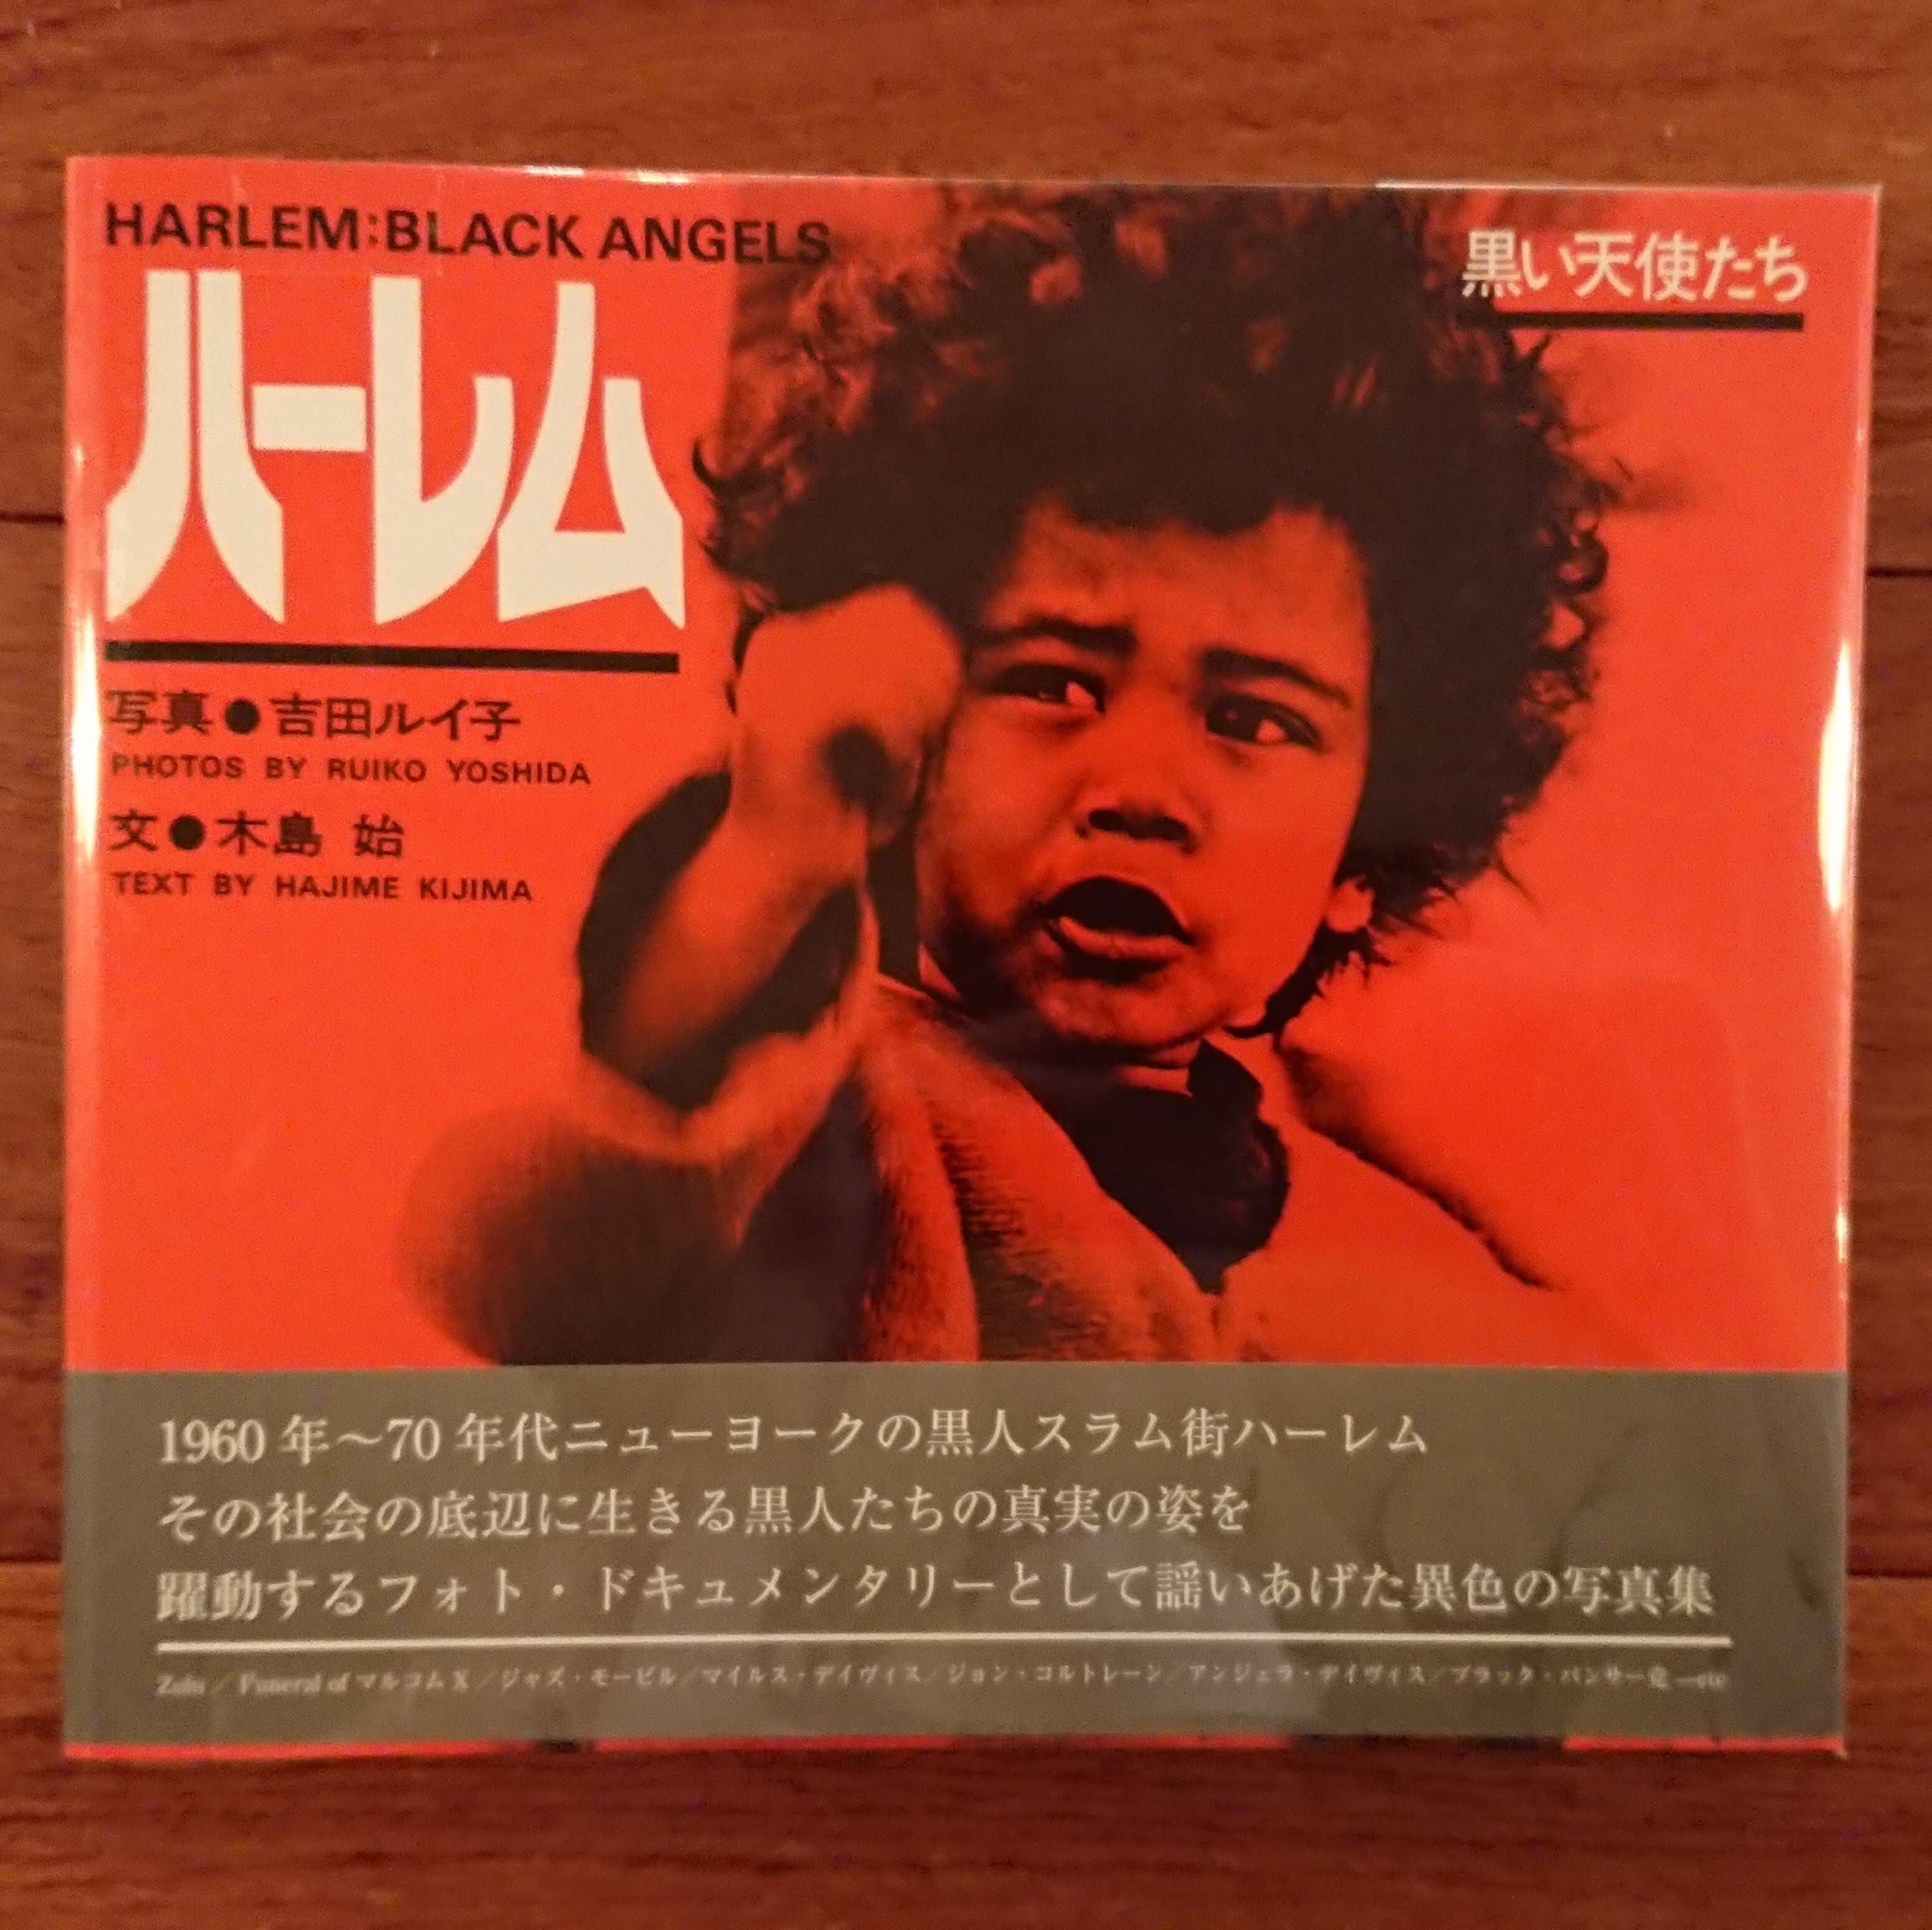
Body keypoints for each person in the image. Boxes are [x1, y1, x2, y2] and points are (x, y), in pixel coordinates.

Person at [406, 186, 1621, 1366]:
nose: (1138, 788)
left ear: (1367, 850)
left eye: (1252, 720)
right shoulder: (810, 1130)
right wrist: (771, 851)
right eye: (1056, 685)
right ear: (912, 734)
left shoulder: (1431, 1283)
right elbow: (526, 1260)